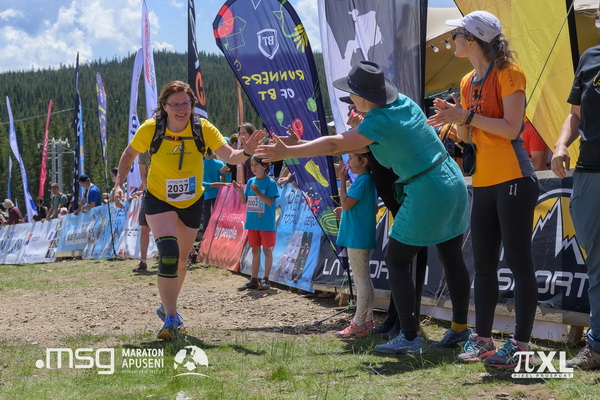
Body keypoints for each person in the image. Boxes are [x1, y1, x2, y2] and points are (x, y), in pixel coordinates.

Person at [258, 61, 471, 356]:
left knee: (396, 260)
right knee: (451, 256)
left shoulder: (378, 120)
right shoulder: (403, 104)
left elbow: (336, 145)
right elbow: (350, 144)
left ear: (362, 96)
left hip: (427, 189)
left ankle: (409, 337)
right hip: (451, 181)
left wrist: (290, 151)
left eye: (351, 94)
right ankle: (460, 330)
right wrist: (302, 143)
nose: (349, 99)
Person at [427, 11, 539, 368]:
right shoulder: (466, 80)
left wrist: (465, 116)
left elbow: (511, 128)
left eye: (457, 34)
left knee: (519, 263)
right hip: (484, 180)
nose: (453, 39)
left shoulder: (509, 72)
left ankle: (521, 345)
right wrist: (453, 119)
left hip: (514, 177)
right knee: (484, 265)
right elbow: (468, 136)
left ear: (472, 39)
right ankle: (484, 339)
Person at [114, 80, 262, 340]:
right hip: (159, 199)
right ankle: (172, 317)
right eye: (174, 105)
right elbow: (128, 155)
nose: (181, 109)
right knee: (169, 253)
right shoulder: (151, 128)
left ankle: (167, 307)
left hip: (192, 200)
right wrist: (118, 185)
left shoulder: (202, 128)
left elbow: (230, 156)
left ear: (192, 104)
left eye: (185, 104)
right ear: (164, 106)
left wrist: (246, 152)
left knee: (182, 259)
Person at [551, 4, 600, 370]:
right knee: (596, 262)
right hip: (589, 171)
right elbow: (575, 114)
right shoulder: (589, 58)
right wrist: (560, 144)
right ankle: (597, 346)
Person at [333, 153, 378, 339]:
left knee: (361, 282)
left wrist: (342, 182)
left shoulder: (362, 180)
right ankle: (368, 320)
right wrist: (345, 211)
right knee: (365, 280)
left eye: (351, 158)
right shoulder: (368, 180)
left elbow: (346, 203)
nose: (348, 162)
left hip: (357, 237)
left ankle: (358, 323)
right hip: (362, 234)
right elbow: (366, 206)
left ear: (364, 161)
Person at [233, 156, 279, 291]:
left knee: (267, 250)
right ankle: (254, 279)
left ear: (265, 166)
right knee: (255, 250)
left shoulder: (270, 182)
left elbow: (269, 202)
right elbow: (244, 201)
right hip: (253, 223)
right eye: (252, 165)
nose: (253, 167)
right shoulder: (251, 181)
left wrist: (258, 192)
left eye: (256, 165)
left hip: (266, 223)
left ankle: (266, 279)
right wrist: (241, 192)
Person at [132, 151, 152, 273]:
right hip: (149, 195)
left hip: (166, 194)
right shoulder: (144, 152)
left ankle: (188, 254)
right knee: (144, 229)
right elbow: (144, 176)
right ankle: (143, 261)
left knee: (170, 229)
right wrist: (141, 190)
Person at [202, 149, 226, 231]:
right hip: (217, 192)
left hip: (205, 192)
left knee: (206, 215)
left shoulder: (201, 164)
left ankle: (206, 232)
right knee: (218, 213)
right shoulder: (219, 163)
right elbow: (223, 178)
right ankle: (217, 231)